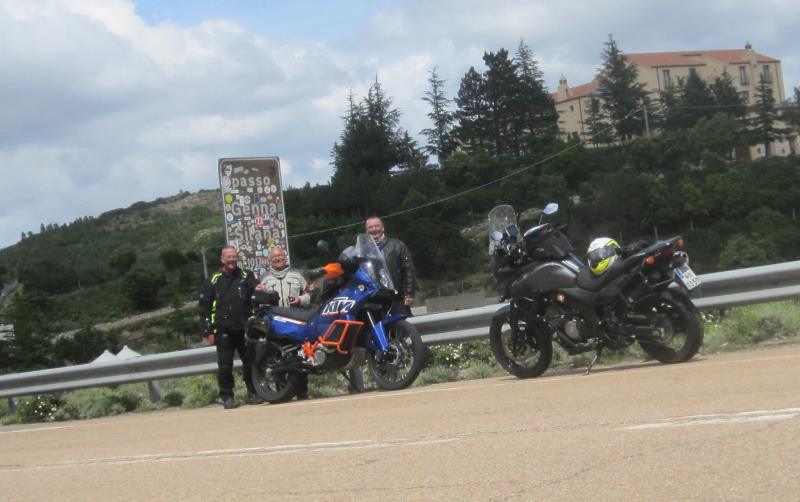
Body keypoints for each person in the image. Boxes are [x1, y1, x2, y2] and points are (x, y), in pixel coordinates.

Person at [260, 246, 364, 397]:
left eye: (280, 256)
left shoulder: (298, 274)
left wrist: (300, 299)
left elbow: (312, 293)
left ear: (285, 257)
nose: (278, 259)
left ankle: (302, 393)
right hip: (276, 318)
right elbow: (259, 295)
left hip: (297, 317)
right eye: (274, 257)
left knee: (299, 353)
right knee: (280, 354)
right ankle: (280, 392)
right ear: (270, 260)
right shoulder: (263, 278)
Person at [198, 246, 262, 409]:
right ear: (222, 259)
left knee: (250, 362)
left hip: (245, 328)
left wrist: (258, 288)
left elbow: (255, 289)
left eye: (234, 257)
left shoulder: (246, 275)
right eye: (228, 257)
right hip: (223, 330)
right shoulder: (213, 279)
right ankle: (227, 396)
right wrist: (208, 331)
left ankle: (254, 393)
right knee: (225, 366)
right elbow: (204, 308)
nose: (232, 260)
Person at [365, 216, 417, 314]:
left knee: (404, 321)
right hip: (372, 298)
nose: (374, 229)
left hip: (396, 297)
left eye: (377, 226)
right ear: (367, 231)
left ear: (383, 228)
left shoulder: (397, 245)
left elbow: (408, 270)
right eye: (370, 227)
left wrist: (409, 293)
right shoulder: (362, 250)